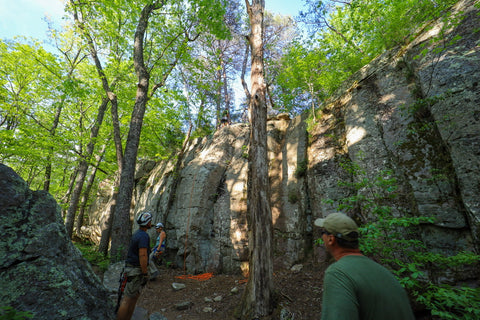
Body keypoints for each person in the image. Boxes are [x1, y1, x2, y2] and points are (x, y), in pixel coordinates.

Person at [314, 212, 415, 320]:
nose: (321, 236)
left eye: (322, 232)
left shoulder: (338, 273)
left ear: (330, 239)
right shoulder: (384, 273)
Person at [116, 212, 152, 320]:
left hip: (130, 269)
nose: (151, 223)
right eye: (150, 221)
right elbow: (143, 254)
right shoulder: (143, 236)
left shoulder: (137, 234)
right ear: (147, 222)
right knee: (127, 299)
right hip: (136, 270)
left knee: (133, 298)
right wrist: (145, 272)